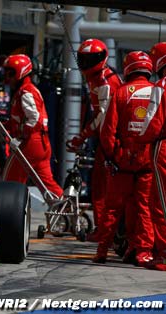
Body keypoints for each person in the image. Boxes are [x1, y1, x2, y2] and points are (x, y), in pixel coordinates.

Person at [94, 51, 155, 265]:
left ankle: (102, 251)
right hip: (149, 163)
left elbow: (107, 131)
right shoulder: (159, 92)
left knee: (112, 208)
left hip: (124, 162)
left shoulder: (120, 93)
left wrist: (114, 156)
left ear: (128, 68)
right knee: (144, 208)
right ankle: (143, 251)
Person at [67, 39, 123, 240]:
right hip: (107, 139)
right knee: (100, 186)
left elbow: (104, 117)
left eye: (90, 59)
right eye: (83, 58)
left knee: (105, 187)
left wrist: (82, 136)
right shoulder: (96, 77)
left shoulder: (106, 81)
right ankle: (105, 229)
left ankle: (106, 231)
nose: (85, 63)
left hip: (114, 140)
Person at [2, 54, 63, 197]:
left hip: (31, 143)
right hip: (42, 144)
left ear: (21, 72)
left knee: (11, 182)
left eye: (11, 73)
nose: (7, 78)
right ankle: (67, 207)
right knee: (47, 185)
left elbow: (34, 119)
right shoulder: (28, 90)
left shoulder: (26, 91)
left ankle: (10, 214)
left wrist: (21, 135)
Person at [137, 42, 166, 271]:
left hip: (163, 147)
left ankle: (164, 253)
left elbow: (152, 122)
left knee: (160, 202)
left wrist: (138, 141)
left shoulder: (161, 86)